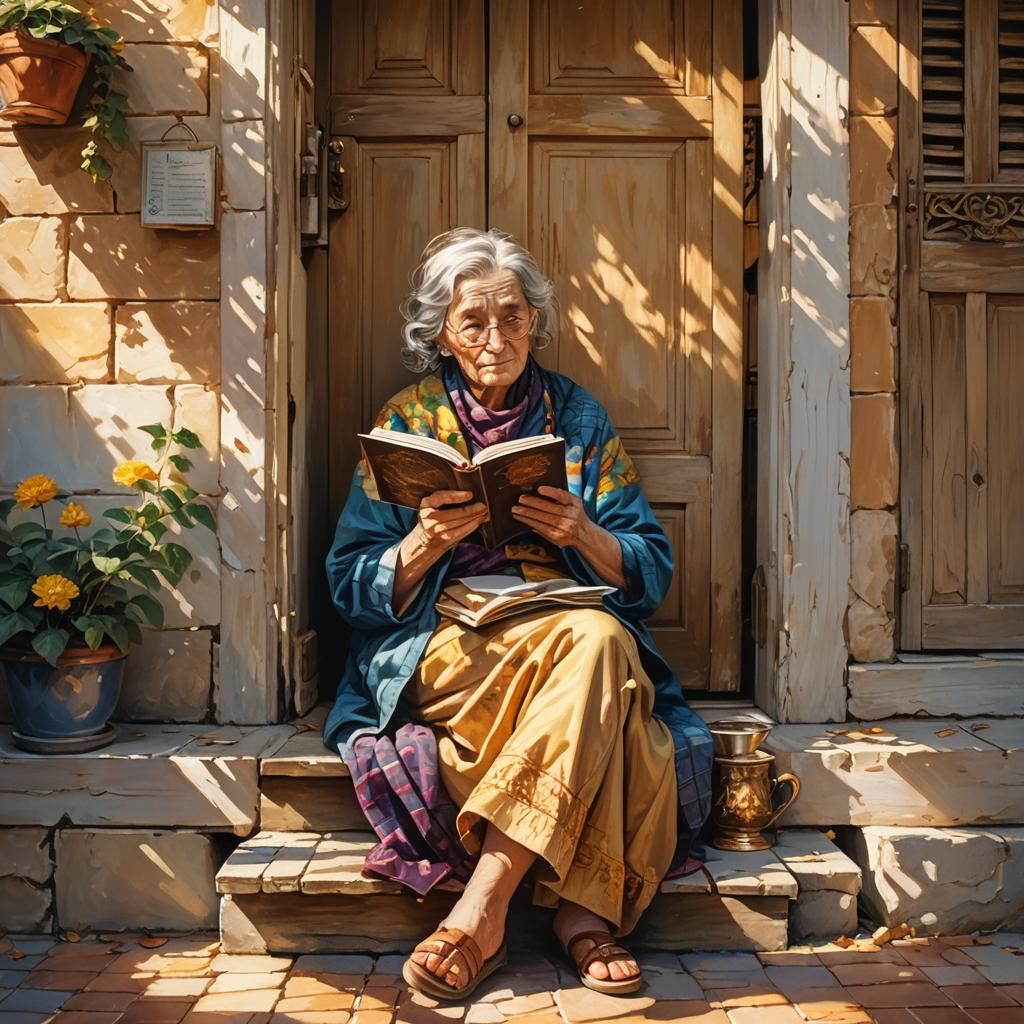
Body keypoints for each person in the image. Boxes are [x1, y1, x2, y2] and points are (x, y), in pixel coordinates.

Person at [324, 227, 713, 1001]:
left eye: (511, 317)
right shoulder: (408, 419)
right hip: (446, 643)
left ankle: (483, 908)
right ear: (442, 330)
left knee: (599, 641)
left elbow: (650, 568)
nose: (495, 338)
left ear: (534, 321)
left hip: (562, 625)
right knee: (615, 691)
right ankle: (581, 914)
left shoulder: (578, 418)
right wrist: (424, 547)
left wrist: (583, 533)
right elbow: (349, 583)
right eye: (474, 322)